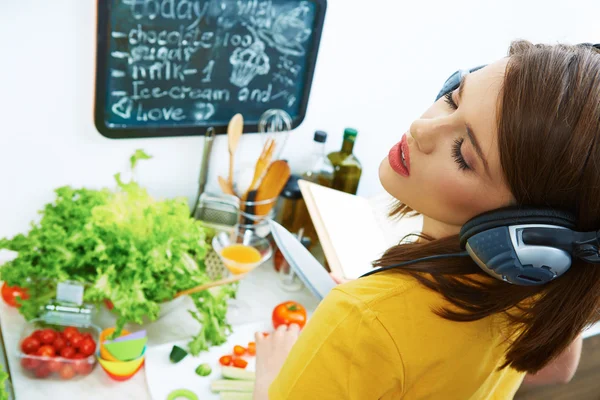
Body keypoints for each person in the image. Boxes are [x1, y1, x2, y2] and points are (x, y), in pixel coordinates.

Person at [253, 40, 600, 399]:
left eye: (463, 155)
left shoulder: (360, 321)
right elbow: (558, 369)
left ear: (530, 229)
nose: (421, 127)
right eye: (453, 98)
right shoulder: (544, 282)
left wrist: (271, 380)